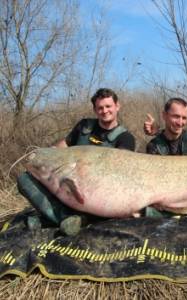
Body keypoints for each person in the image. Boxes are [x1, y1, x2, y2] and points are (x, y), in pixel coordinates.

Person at [17, 88, 136, 235]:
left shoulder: (126, 138)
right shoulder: (84, 126)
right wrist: (45, 154)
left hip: (97, 194)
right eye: (100, 107)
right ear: (95, 109)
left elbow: (121, 173)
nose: (104, 111)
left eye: (108, 106)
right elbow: (63, 146)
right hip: (67, 186)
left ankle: (63, 218)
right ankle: (65, 218)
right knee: (24, 178)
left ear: (117, 106)